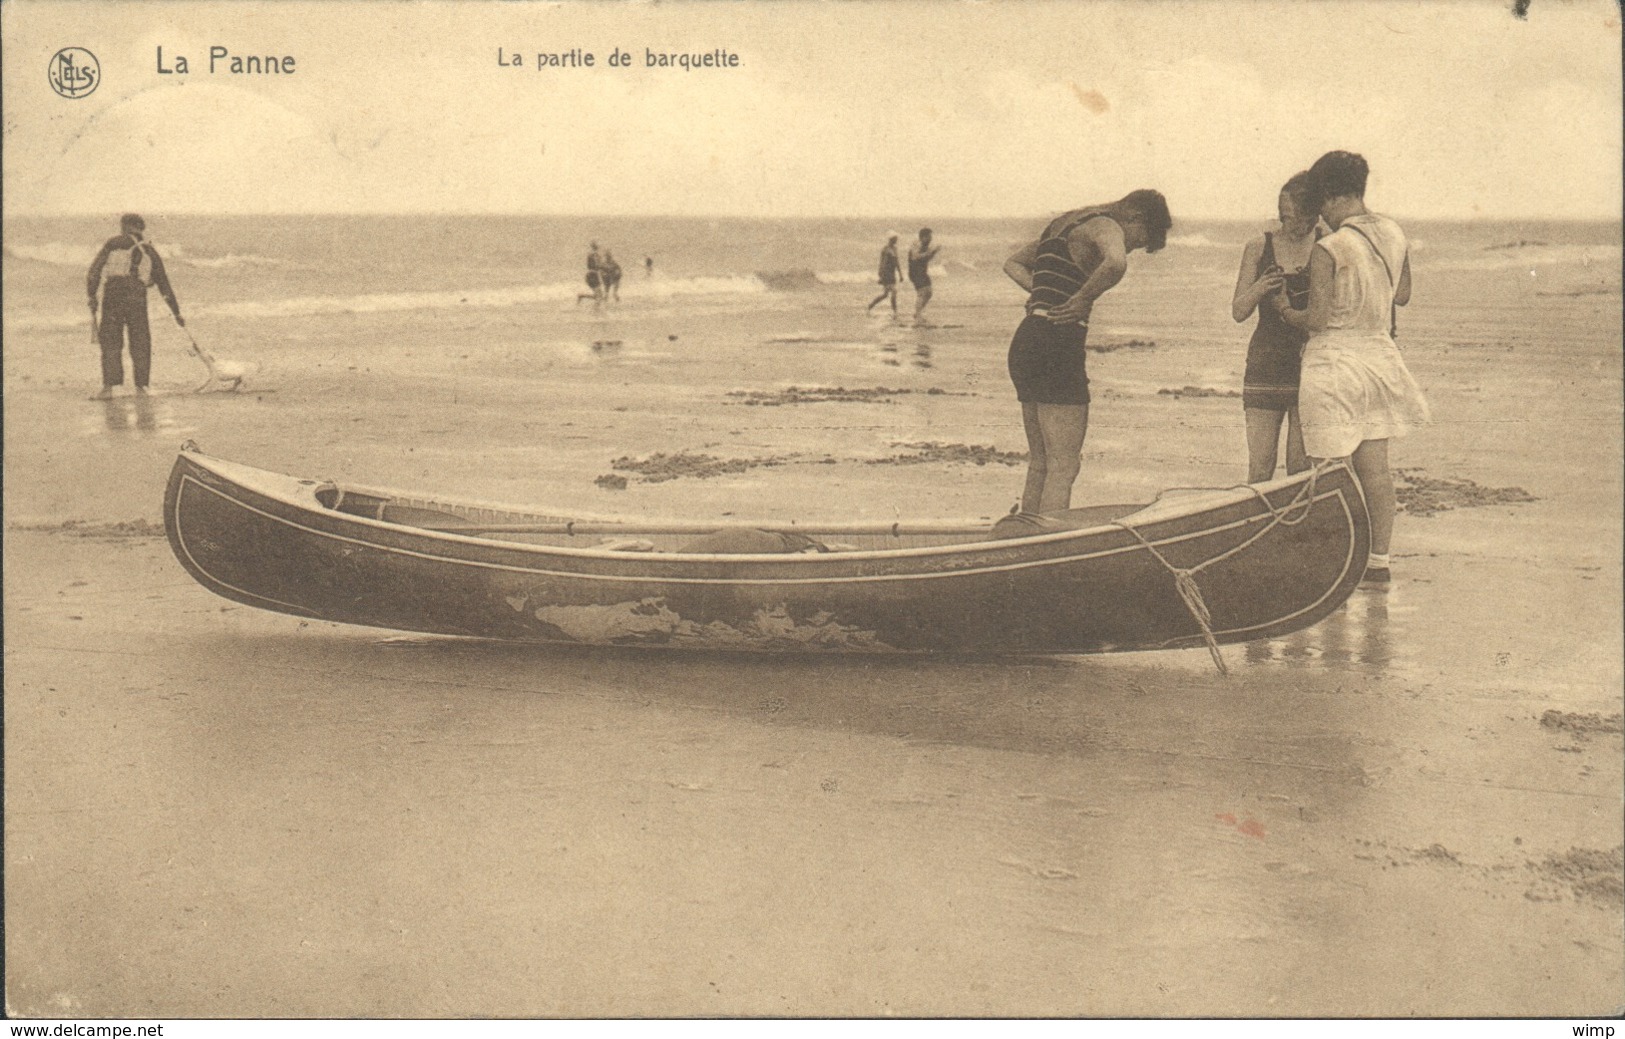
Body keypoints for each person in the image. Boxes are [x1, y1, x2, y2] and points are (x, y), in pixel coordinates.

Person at [1274, 151, 1430, 586]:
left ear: (1327, 194)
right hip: (1379, 359)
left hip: (1334, 364)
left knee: (1327, 469)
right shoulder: (1394, 233)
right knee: (1376, 469)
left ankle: (1330, 565)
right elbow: (1402, 296)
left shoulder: (1331, 247)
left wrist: (1287, 310)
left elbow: (1318, 320)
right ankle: (1378, 563)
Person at [1001, 190, 1172, 513]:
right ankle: (1049, 549)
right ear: (1135, 217)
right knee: (1064, 466)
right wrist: (1083, 298)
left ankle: (1027, 537)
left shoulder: (1063, 224)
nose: (1132, 248)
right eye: (1139, 241)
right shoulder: (1107, 226)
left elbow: (1013, 264)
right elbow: (1116, 263)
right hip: (1058, 342)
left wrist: (1040, 292)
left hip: (1027, 339)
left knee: (1040, 462)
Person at [1232, 171, 1320, 483]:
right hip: (1265, 363)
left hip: (1310, 366)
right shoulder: (1259, 246)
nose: (1287, 224)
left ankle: (1296, 531)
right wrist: (1260, 287)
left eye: (1294, 217)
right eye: (1283, 216)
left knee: (1299, 468)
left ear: (1313, 214)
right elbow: (1239, 311)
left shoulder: (1327, 245)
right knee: (1260, 467)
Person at [86, 214, 184, 399]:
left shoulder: (113, 243)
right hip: (137, 295)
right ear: (141, 229)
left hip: (113, 293)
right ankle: (142, 387)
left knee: (111, 341)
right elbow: (164, 283)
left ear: (125, 226)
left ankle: (109, 388)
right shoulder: (149, 250)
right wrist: (176, 312)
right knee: (140, 341)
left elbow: (94, 271)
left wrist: (92, 296)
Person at [907, 228, 941, 322]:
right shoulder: (916, 244)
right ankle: (918, 316)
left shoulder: (927, 246)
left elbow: (927, 258)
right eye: (929, 237)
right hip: (915, 271)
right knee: (921, 293)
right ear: (923, 237)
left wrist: (934, 252)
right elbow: (916, 256)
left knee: (929, 293)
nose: (931, 239)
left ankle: (917, 313)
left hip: (922, 271)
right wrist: (929, 252)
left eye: (931, 237)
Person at [866, 233, 903, 315]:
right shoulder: (885, 249)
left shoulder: (895, 249)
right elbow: (882, 262)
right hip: (886, 273)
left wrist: (900, 274)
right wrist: (881, 274)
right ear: (891, 239)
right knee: (894, 291)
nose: (896, 240)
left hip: (892, 273)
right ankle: (895, 311)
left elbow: (897, 262)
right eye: (895, 239)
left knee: (885, 294)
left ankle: (871, 305)